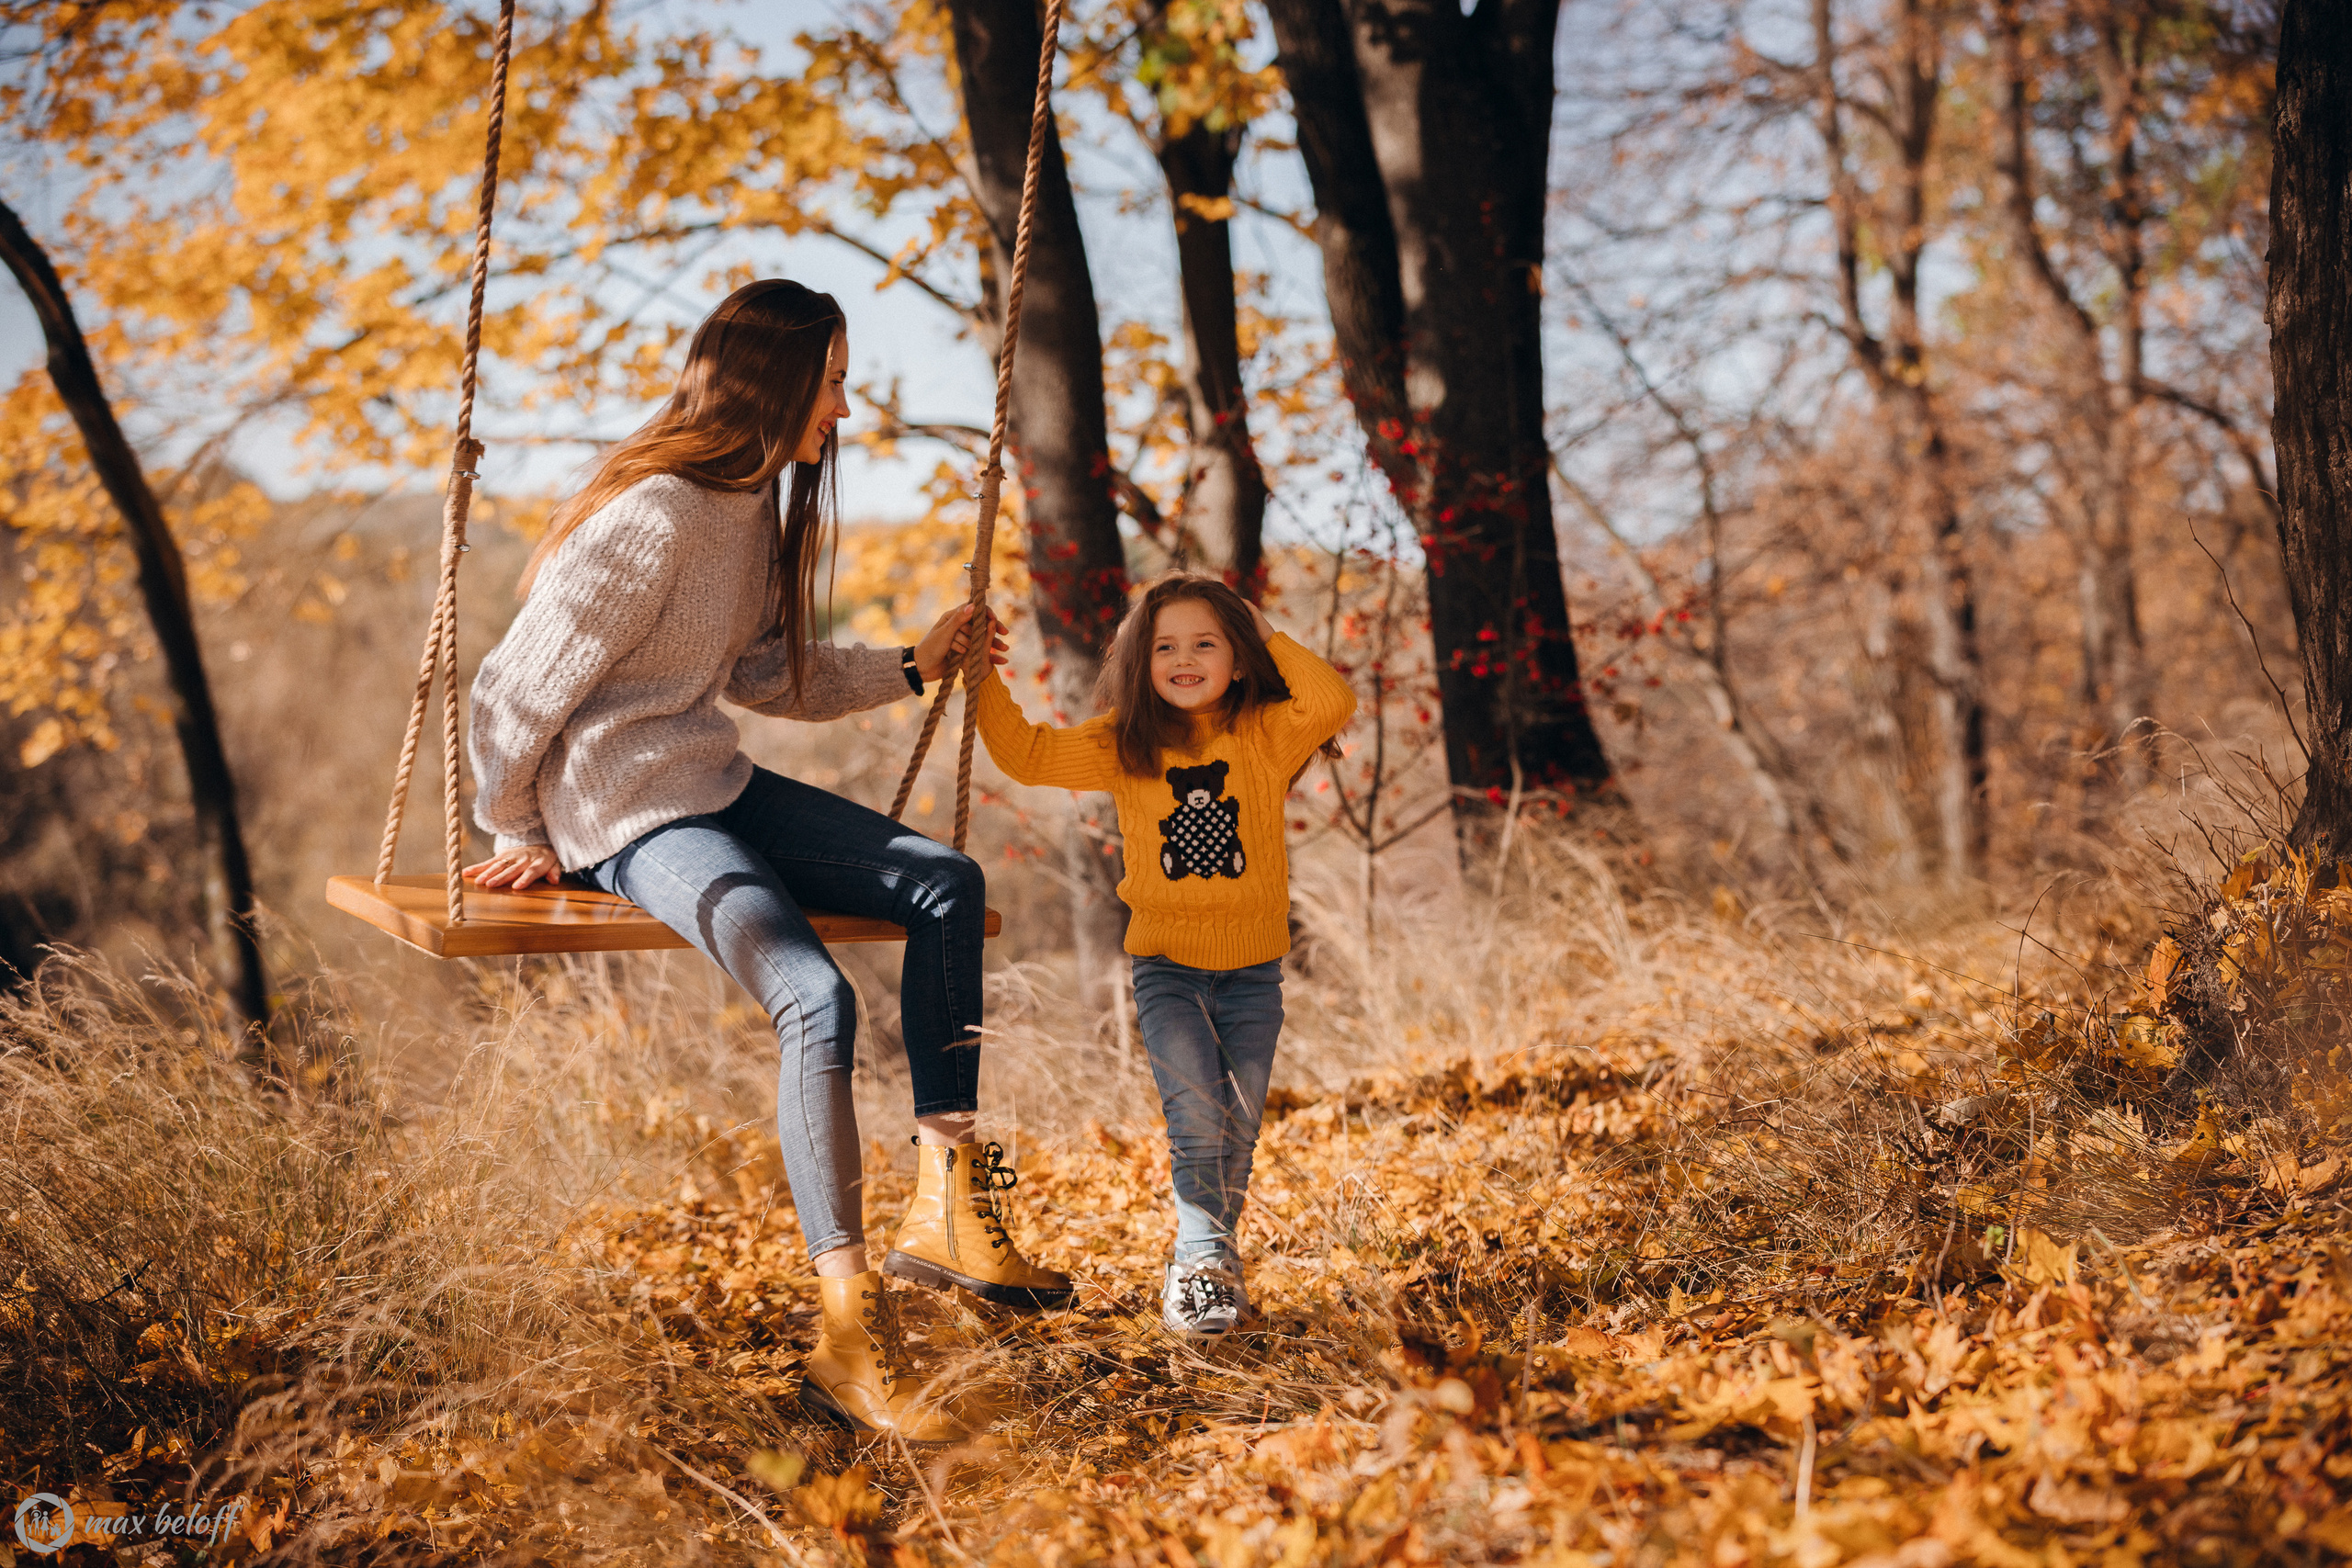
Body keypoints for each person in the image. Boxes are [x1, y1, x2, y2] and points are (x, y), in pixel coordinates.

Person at [463, 278, 1068, 1444]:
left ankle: (945, 1208)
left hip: (712, 783)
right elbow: (510, 687)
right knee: (812, 994)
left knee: (948, 882)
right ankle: (847, 1332)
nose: (845, 407)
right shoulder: (655, 515)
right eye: (833, 380)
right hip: (628, 817)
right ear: (779, 381)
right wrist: (516, 830)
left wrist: (908, 663)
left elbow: (750, 674)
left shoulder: (746, 512)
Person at [970, 575, 1356, 1336]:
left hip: (1253, 974)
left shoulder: (1263, 734)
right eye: (1164, 645)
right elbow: (1025, 753)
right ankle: (1198, 1262)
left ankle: (1214, 1264)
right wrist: (980, 673)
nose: (1184, 658)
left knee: (1238, 1126)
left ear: (1238, 658)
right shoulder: (1127, 744)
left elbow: (1332, 702)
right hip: (1168, 969)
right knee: (1196, 1117)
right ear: (1141, 662)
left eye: (1205, 642)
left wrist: (1264, 625)